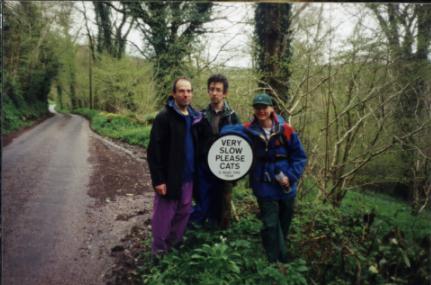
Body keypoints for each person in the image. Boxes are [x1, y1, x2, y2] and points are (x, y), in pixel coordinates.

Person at [221, 93, 307, 263]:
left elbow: (300, 157)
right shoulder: (249, 129)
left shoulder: (286, 130)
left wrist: (290, 176)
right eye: (257, 107)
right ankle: (277, 263)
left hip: (285, 184)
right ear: (254, 110)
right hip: (263, 183)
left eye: (264, 107)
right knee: (270, 224)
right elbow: (226, 131)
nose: (261, 111)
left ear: (271, 108)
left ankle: (276, 253)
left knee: (283, 223)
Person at [147, 77, 208, 257]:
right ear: (174, 94)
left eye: (189, 91)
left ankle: (173, 246)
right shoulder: (164, 117)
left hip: (189, 177)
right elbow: (154, 151)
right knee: (163, 216)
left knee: (183, 213)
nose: (185, 94)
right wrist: (158, 180)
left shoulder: (196, 117)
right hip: (169, 177)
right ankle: (158, 252)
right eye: (181, 91)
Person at [189, 74, 240, 229]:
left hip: (223, 168)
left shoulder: (232, 117)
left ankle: (218, 235)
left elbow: (238, 145)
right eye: (211, 89)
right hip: (204, 166)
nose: (214, 93)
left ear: (225, 93)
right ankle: (194, 232)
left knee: (221, 204)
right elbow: (195, 142)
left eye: (218, 90)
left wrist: (235, 173)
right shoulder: (200, 116)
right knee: (202, 201)